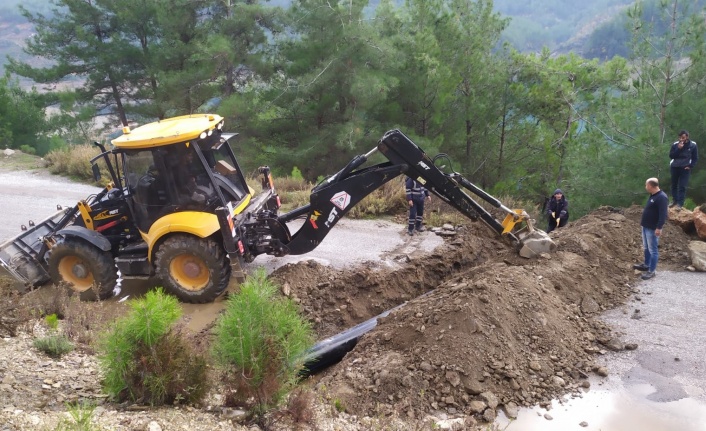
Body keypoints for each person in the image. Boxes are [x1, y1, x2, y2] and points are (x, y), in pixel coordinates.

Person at [633, 177, 669, 280]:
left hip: (653, 228)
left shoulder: (661, 197)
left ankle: (651, 271)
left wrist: (659, 227)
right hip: (645, 226)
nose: (645, 187)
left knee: (653, 250)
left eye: (646, 185)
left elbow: (663, 214)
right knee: (646, 247)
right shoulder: (653, 195)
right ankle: (646, 265)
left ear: (651, 186)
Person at [669, 130, 698, 208]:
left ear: (687, 137)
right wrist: (679, 149)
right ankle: (674, 200)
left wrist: (691, 166)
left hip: (685, 168)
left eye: (683, 137)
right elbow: (671, 156)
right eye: (680, 137)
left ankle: (680, 204)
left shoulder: (693, 145)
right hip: (675, 167)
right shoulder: (675, 144)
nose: (681, 139)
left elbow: (695, 158)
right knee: (674, 185)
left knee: (682, 186)